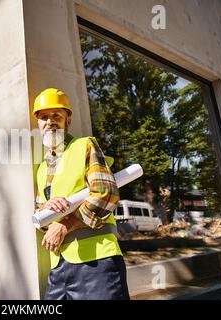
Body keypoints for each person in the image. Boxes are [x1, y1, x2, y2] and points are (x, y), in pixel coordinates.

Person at [33, 88, 130, 300]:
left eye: (56, 115)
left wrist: (65, 224)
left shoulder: (85, 146)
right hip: (59, 268)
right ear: (38, 125)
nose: (49, 121)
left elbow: (106, 193)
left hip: (97, 263)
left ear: (67, 120)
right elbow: (42, 222)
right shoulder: (41, 170)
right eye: (43, 117)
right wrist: (46, 211)